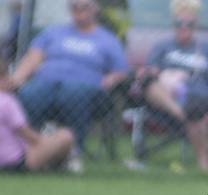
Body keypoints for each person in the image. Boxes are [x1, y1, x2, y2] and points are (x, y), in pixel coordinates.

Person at [7, 0, 128, 173]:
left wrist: (109, 80)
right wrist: (17, 78)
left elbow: (121, 70)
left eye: (84, 6)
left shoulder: (108, 39)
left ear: (95, 9)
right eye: (74, 7)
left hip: (87, 89)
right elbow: (33, 58)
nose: (78, 11)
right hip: (47, 83)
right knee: (30, 93)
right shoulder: (53, 33)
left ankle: (72, 152)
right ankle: (32, 149)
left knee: (72, 94)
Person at [137, 0, 208, 170]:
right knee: (152, 86)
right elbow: (151, 71)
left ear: (195, 25)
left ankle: (203, 162)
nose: (184, 27)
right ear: (174, 24)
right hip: (166, 98)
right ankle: (184, 115)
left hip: (197, 97)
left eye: (189, 24)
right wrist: (167, 75)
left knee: (197, 109)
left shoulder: (207, 47)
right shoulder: (163, 46)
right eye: (180, 23)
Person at [0, 58, 74, 172]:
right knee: (65, 136)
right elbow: (25, 133)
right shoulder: (7, 101)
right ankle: (55, 166)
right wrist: (46, 141)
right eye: (6, 77)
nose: (10, 80)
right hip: (16, 163)